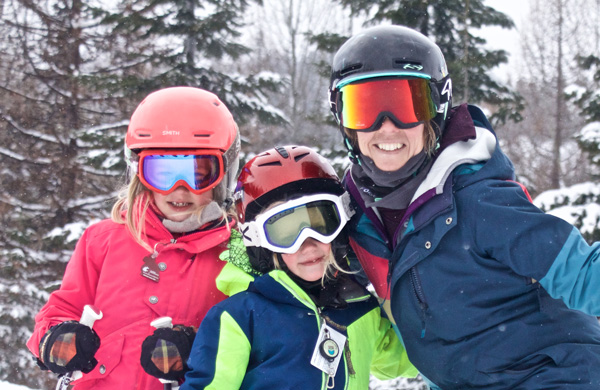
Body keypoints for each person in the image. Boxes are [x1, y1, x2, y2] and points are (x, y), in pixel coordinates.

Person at [328, 24, 600, 389]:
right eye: (365, 109)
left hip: (554, 375)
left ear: (435, 110)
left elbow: (582, 274)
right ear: (344, 121)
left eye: (407, 105)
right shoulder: (357, 216)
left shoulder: (480, 200)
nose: (386, 128)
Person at [26, 86, 253, 389]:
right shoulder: (102, 241)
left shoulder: (237, 253)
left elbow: (256, 337)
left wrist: (199, 348)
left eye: (198, 174)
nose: (179, 188)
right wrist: (58, 338)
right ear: (139, 174)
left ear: (223, 175)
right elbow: (60, 310)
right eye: (162, 173)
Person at [180, 145, 418, 390]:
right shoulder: (241, 318)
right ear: (260, 242)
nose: (308, 243)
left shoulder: (360, 309)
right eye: (285, 232)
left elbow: (412, 359)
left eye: (320, 222)